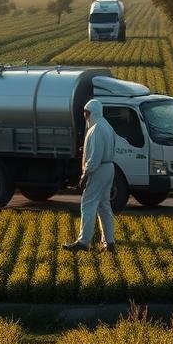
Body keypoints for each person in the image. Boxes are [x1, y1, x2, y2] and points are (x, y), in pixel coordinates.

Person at [62, 99, 116, 252]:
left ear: (93, 112)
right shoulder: (107, 126)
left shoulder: (96, 129)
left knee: (88, 205)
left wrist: (85, 174)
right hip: (108, 168)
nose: (85, 116)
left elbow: (95, 156)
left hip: (98, 170)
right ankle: (109, 242)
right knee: (104, 206)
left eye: (87, 113)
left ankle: (83, 242)